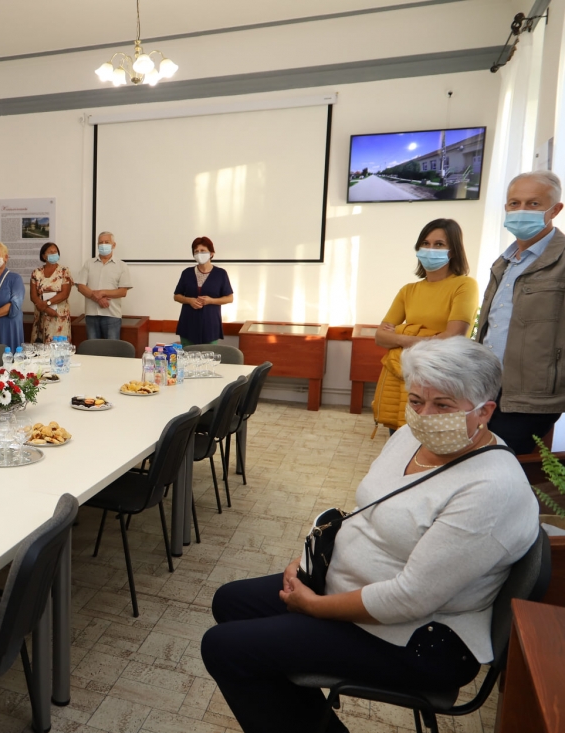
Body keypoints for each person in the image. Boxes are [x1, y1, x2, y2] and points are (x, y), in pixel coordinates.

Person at [200, 337, 539, 733]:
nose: (424, 415)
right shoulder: (413, 437)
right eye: (416, 401)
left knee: (224, 647)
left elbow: (410, 598)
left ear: (485, 411)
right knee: (230, 602)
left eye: (443, 405)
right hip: (357, 586)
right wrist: (307, 563)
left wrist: (314, 606)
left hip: (418, 637)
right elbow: (368, 514)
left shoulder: (491, 489)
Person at [477, 170, 565, 454]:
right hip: (486, 386)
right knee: (475, 462)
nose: (521, 210)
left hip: (531, 397)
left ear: (555, 210)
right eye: (515, 203)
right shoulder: (504, 261)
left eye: (533, 203)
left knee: (501, 463)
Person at [371, 219, 478, 433]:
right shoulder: (408, 290)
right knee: (400, 438)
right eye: (425, 243)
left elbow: (453, 337)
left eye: (439, 244)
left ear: (453, 251)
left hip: (442, 379)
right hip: (408, 378)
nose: (430, 249)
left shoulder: (465, 285)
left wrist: (400, 335)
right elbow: (380, 336)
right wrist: (425, 338)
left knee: (433, 441)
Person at [173, 237, 234, 346]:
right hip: (188, 325)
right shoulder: (187, 273)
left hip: (210, 325)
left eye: (203, 251)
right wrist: (189, 300)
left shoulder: (220, 274)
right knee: (187, 355)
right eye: (196, 251)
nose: (199, 254)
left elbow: (229, 298)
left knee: (209, 355)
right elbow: (177, 296)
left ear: (211, 253)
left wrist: (211, 301)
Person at [75, 231, 133, 340]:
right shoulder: (89, 263)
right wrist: (98, 298)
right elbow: (80, 286)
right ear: (97, 245)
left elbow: (123, 292)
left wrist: (103, 292)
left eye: (107, 242)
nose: (103, 245)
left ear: (113, 245)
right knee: (93, 348)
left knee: (111, 348)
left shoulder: (122, 266)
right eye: (101, 242)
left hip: (112, 315)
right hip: (91, 314)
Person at [29, 242, 73, 343]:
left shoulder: (64, 271)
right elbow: (33, 296)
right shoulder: (36, 272)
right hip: (41, 315)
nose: (54, 254)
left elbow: (65, 294)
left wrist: (47, 303)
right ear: (43, 256)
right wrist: (46, 309)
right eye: (50, 252)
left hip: (58, 316)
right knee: (40, 347)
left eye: (55, 252)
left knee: (58, 346)